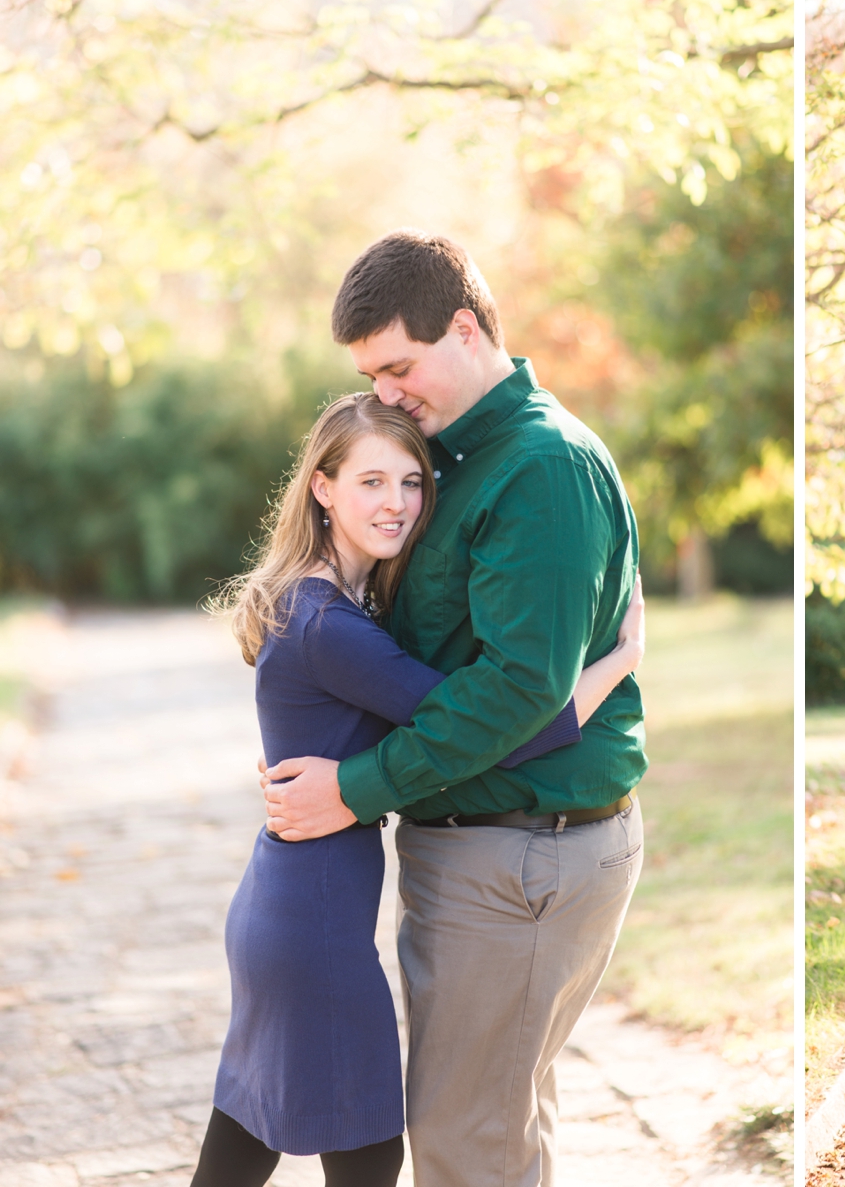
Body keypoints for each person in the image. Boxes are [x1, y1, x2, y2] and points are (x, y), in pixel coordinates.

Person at [260, 231, 648, 1186]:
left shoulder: (539, 467)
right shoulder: (450, 456)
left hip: (523, 852)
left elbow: (519, 689)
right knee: (493, 1130)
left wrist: (355, 788)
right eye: (369, 375)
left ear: (466, 329)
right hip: (488, 848)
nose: (384, 393)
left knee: (465, 1148)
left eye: (398, 366)